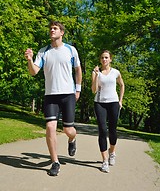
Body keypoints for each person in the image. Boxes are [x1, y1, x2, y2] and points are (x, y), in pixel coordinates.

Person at [25, 20, 82, 176]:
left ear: (61, 32)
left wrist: (78, 90)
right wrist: (30, 60)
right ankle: (55, 162)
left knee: (68, 129)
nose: (52, 30)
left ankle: (72, 139)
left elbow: (78, 70)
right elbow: (33, 72)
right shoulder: (43, 52)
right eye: (50, 28)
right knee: (50, 127)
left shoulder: (71, 50)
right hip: (50, 95)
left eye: (55, 28)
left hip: (68, 94)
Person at [91, 50, 124, 173]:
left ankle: (112, 152)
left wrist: (120, 101)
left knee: (113, 130)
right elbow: (93, 90)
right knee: (102, 131)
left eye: (106, 57)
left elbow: (122, 85)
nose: (104, 60)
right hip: (99, 103)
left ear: (110, 59)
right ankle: (105, 161)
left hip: (113, 103)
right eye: (102, 58)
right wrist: (95, 76)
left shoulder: (116, 72)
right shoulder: (96, 72)